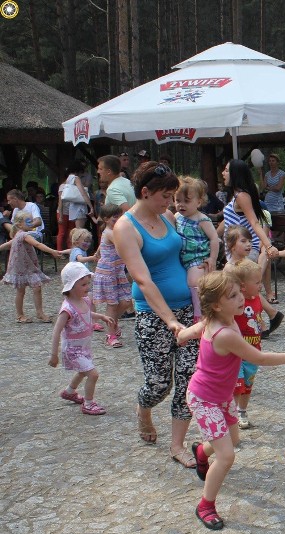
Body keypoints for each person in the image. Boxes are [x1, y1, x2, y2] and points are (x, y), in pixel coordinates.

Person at [179, 271, 285, 530]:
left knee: (233, 439)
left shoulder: (217, 320)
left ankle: (201, 452)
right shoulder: (224, 333)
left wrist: (181, 335)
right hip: (204, 400)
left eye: (239, 292)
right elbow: (258, 358)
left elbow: (190, 332)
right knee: (226, 456)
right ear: (216, 305)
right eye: (233, 295)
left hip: (221, 397)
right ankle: (205, 505)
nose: (241, 298)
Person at [113, 161, 199, 465]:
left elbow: (188, 252)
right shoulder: (124, 227)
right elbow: (142, 279)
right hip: (153, 315)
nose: (170, 201)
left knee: (189, 377)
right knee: (159, 383)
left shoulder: (168, 216)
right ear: (145, 192)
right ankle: (144, 407)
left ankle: (177, 444)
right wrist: (170, 320)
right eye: (165, 195)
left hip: (187, 308)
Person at [50, 262, 115, 416]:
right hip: (72, 350)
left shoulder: (84, 300)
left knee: (82, 371)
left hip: (84, 347)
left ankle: (69, 392)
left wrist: (101, 316)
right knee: (93, 374)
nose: (88, 287)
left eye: (88, 283)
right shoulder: (67, 309)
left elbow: (86, 313)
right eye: (84, 284)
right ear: (71, 286)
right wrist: (54, 354)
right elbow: (56, 331)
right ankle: (88, 403)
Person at [221, 159, 280, 313]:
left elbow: (254, 222)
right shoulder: (236, 195)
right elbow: (226, 221)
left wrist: (268, 245)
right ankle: (270, 317)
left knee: (240, 290)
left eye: (226, 170)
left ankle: (257, 321)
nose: (223, 173)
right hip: (235, 248)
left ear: (235, 174)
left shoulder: (241, 195)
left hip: (244, 248)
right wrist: (212, 238)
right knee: (241, 290)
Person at [222, 259, 265, 429]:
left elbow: (257, 315)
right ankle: (231, 415)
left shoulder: (257, 299)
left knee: (247, 385)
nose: (260, 285)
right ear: (243, 286)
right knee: (236, 386)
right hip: (236, 353)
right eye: (257, 282)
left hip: (253, 351)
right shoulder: (237, 302)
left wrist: (261, 323)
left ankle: (242, 411)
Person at [0, 210, 64, 323]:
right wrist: (52, 251)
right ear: (20, 224)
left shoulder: (19, 235)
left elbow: (8, 244)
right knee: (21, 291)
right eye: (29, 221)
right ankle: (20, 315)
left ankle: (40, 313)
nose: (32, 223)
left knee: (37, 288)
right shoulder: (23, 235)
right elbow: (37, 244)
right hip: (21, 268)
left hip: (29, 267)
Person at [175, 176, 219, 321]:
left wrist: (212, 258)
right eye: (178, 200)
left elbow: (214, 239)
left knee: (194, 282)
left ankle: (199, 313)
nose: (181, 205)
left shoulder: (202, 219)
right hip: (182, 257)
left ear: (199, 202)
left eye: (186, 201)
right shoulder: (176, 217)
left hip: (197, 258)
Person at [92, 204, 133, 348]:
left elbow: (103, 244)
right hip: (108, 273)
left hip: (117, 272)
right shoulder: (111, 232)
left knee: (127, 301)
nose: (118, 219)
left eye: (119, 216)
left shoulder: (110, 231)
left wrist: (97, 252)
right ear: (106, 219)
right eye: (114, 217)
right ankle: (111, 335)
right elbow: (123, 245)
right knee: (113, 304)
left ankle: (112, 322)